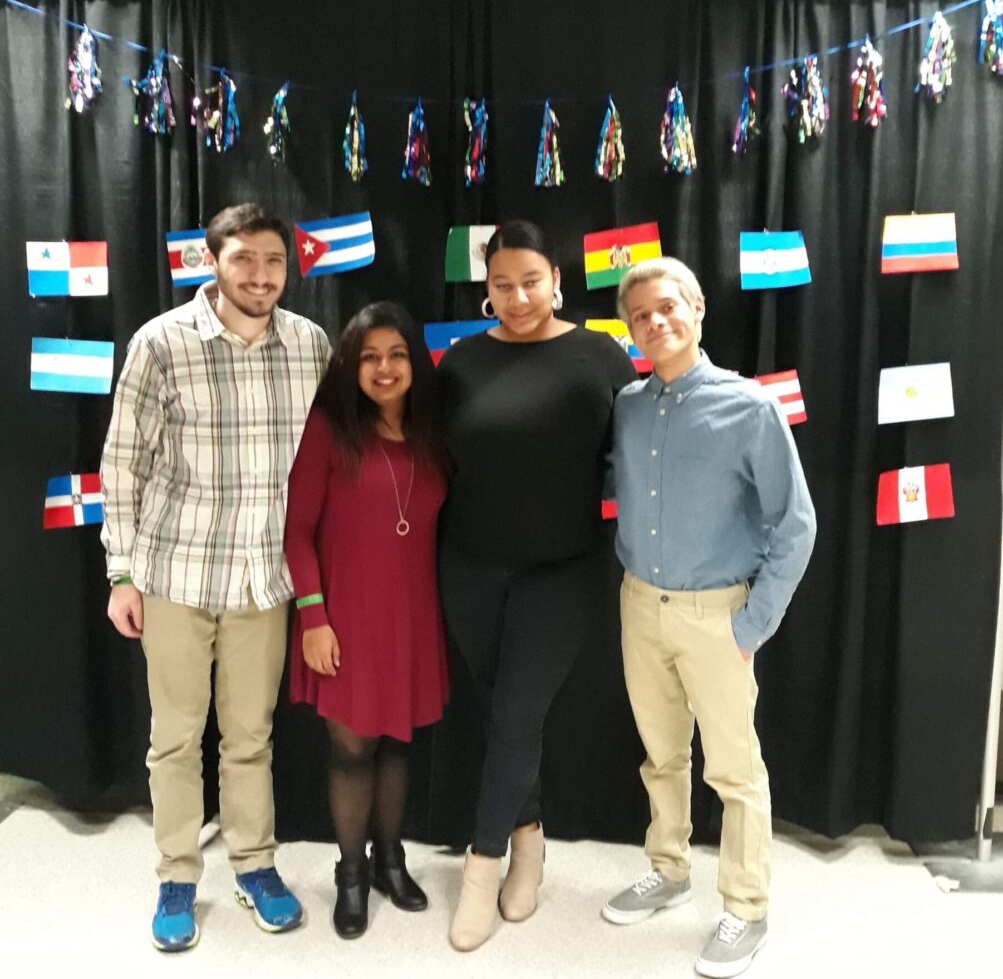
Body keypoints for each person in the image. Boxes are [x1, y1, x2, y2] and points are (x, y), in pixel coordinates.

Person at [100, 203, 331, 952]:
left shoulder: (310, 345)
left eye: (272, 262)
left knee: (250, 737)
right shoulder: (161, 343)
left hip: (265, 582)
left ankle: (254, 864)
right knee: (173, 740)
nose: (259, 276)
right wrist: (122, 573)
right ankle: (175, 873)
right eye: (243, 261)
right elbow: (122, 464)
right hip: (175, 575)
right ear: (214, 263)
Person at [602, 258, 817, 978]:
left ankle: (745, 908)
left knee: (733, 770)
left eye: (666, 307)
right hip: (639, 605)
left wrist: (750, 625)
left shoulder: (748, 407)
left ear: (695, 308)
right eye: (639, 316)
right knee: (659, 753)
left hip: (715, 614)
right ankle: (667, 869)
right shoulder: (627, 406)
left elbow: (795, 524)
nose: (653, 323)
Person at [437, 220, 636, 951]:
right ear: (484, 290)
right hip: (468, 566)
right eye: (501, 284)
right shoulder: (460, 359)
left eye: (530, 280)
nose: (517, 296)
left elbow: (645, 446)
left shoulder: (599, 353)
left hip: (564, 568)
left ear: (556, 278)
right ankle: (529, 839)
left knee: (518, 714)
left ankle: (481, 867)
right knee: (499, 714)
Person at [284, 302, 450, 939]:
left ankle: (391, 861)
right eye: (369, 357)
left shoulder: (433, 431)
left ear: (416, 362)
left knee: (399, 742)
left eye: (397, 354)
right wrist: (314, 619)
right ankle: (350, 874)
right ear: (350, 367)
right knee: (353, 750)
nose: (384, 368)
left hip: (412, 617)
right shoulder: (328, 430)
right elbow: (296, 535)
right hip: (343, 620)